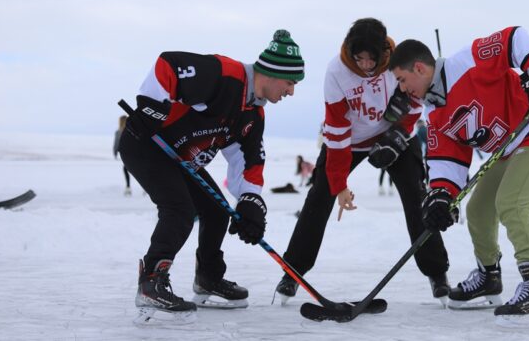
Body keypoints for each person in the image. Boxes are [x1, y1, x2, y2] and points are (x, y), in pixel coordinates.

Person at [389, 26, 529, 327]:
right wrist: (441, 197)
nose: (402, 88)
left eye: (402, 79)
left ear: (419, 68)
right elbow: (447, 161)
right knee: (478, 210)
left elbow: (514, 38)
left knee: (510, 202)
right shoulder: (435, 112)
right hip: (510, 148)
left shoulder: (468, 61)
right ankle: (489, 276)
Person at [119, 30, 304, 324]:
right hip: (147, 143)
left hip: (180, 159)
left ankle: (208, 278)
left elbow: (249, 162)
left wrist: (250, 202)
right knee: (180, 209)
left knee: (216, 210)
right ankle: (151, 281)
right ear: (271, 73)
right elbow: (169, 65)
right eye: (291, 83)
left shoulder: (253, 114)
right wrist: (151, 106)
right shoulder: (225, 76)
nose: (292, 91)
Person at [276, 18, 451, 305]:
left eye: (373, 59)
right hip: (349, 141)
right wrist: (340, 184)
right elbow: (336, 129)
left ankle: (436, 272)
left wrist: (397, 136)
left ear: (384, 52)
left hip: (393, 135)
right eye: (360, 59)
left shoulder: (397, 60)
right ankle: (293, 271)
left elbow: (416, 98)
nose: (367, 65)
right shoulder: (336, 72)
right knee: (320, 195)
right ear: (350, 52)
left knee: (416, 194)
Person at [114, 115, 133, 196]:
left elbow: (116, 143)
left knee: (126, 169)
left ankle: (128, 187)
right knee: (130, 169)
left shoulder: (119, 132)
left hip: (125, 153)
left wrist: (115, 152)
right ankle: (129, 187)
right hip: (132, 152)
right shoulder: (131, 129)